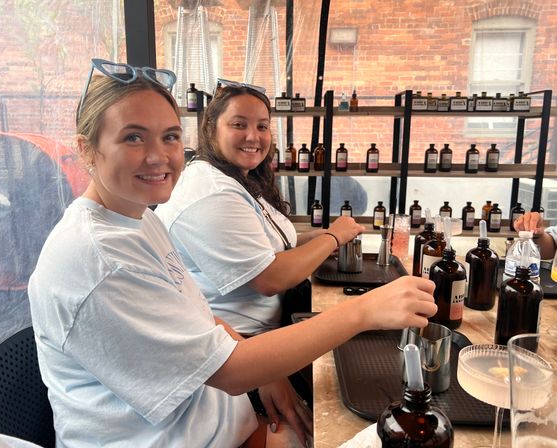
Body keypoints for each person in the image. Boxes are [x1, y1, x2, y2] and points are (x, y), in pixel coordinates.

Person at [28, 59, 437, 448]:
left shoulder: (135, 218)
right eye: (133, 137)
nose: (159, 155)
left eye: (169, 136)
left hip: (217, 417)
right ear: (86, 149)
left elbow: (197, 315)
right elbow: (232, 367)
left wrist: (265, 375)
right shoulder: (99, 259)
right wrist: (362, 311)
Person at [155, 84, 364, 337]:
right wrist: (334, 237)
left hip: (264, 326)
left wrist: (321, 237)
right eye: (239, 125)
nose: (253, 137)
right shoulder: (212, 193)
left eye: (262, 126)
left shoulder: (234, 177)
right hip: (236, 339)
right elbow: (269, 278)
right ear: (211, 128)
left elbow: (265, 242)